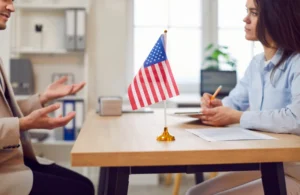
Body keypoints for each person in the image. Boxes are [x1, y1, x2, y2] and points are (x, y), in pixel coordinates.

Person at [186, 0, 300, 194]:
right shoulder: (256, 64)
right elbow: (234, 103)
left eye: (254, 13)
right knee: (195, 193)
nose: (245, 19)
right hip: (270, 161)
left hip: (294, 166)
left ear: (276, 18)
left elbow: (296, 119)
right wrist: (215, 107)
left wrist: (237, 116)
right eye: (247, 12)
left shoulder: (296, 62)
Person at [0, 0, 94, 194]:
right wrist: (23, 124)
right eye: (5, 0)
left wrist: (42, 98)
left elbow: (5, 112)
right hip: (4, 172)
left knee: (86, 186)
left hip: (15, 162)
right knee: (81, 190)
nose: (12, 8)